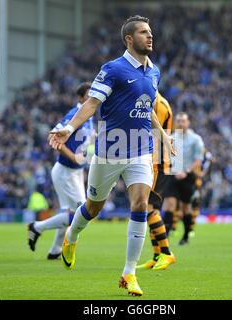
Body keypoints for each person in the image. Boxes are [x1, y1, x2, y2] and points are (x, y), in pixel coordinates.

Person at [49, 15, 175, 296]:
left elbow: (148, 106)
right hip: (109, 151)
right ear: (129, 39)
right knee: (93, 208)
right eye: (144, 32)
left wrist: (163, 134)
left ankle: (128, 273)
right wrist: (69, 128)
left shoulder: (154, 71)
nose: (150, 36)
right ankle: (72, 235)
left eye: (151, 31)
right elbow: (93, 103)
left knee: (140, 204)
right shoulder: (113, 69)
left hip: (141, 149)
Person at [27, 82, 94, 260]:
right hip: (66, 170)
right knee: (79, 213)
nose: (91, 97)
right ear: (80, 98)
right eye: (88, 95)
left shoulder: (90, 114)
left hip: (76, 172)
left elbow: (87, 140)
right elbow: (53, 136)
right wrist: (73, 156)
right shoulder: (74, 114)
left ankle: (55, 250)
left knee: (71, 212)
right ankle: (37, 227)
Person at [136, 92, 176, 270]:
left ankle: (167, 253)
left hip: (157, 162)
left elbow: (151, 129)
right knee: (152, 209)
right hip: (154, 161)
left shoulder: (158, 105)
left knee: (149, 208)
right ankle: (157, 255)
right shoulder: (155, 101)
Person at [162, 112, 205, 245]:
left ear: (188, 123)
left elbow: (199, 160)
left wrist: (186, 171)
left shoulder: (196, 139)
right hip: (173, 175)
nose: (181, 123)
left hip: (188, 176)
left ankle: (186, 235)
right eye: (179, 121)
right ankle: (166, 236)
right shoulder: (171, 138)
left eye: (183, 121)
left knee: (186, 207)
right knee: (170, 205)